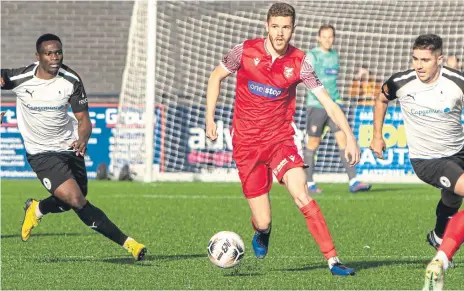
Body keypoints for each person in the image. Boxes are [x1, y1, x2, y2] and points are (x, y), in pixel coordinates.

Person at [206, 3, 359, 276]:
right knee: (263, 220)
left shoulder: (300, 62)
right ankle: (263, 231)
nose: (280, 33)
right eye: (275, 26)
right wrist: (209, 118)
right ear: (266, 26)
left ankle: (333, 260)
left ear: (293, 29)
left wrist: (349, 137)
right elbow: (216, 76)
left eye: (286, 27)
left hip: (280, 140)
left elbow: (329, 103)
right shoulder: (244, 51)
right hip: (247, 144)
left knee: (301, 194)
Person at [0, 34, 146, 261]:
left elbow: (84, 120)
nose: (54, 58)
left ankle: (37, 209)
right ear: (37, 56)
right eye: (49, 53)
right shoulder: (21, 77)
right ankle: (130, 244)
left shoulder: (71, 80)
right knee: (77, 200)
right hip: (40, 152)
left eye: (58, 52)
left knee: (72, 200)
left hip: (69, 146)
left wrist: (83, 139)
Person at [369, 34, 464, 290]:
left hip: (459, 151)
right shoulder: (402, 82)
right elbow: (381, 98)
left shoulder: (457, 82)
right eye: (415, 59)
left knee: (452, 200)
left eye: (425, 60)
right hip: (427, 160)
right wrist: (377, 135)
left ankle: (438, 236)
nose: (419, 65)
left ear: (440, 60)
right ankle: (443, 255)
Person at [304, 24, 371, 193]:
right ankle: (309, 182)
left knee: (343, 140)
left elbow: (332, 83)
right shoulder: (312, 55)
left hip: (334, 106)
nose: (328, 40)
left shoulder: (335, 56)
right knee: (313, 143)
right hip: (317, 105)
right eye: (324, 37)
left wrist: (337, 99)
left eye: (330, 37)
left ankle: (353, 181)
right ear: (318, 38)